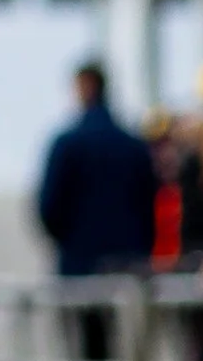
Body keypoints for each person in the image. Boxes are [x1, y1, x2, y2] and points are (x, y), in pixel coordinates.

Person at [35, 64, 155, 280]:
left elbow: (49, 208)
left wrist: (70, 240)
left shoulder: (67, 144)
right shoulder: (135, 146)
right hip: (130, 265)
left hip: (79, 265)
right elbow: (150, 205)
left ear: (84, 87)